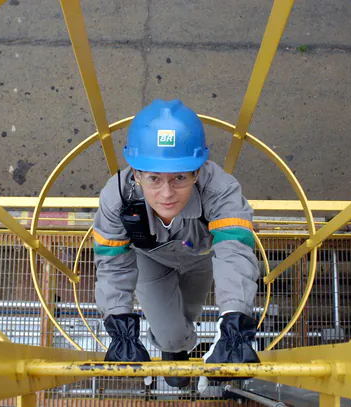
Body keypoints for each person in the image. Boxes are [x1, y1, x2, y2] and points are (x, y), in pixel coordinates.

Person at [93, 99, 260, 389]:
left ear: (198, 172)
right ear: (136, 174)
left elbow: (234, 249)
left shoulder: (220, 191)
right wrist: (120, 329)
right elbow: (112, 262)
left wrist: (235, 322)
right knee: (170, 332)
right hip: (150, 260)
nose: (166, 194)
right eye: (154, 179)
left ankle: (185, 341)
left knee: (190, 311)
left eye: (180, 177)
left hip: (200, 258)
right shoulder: (117, 198)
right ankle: (175, 348)